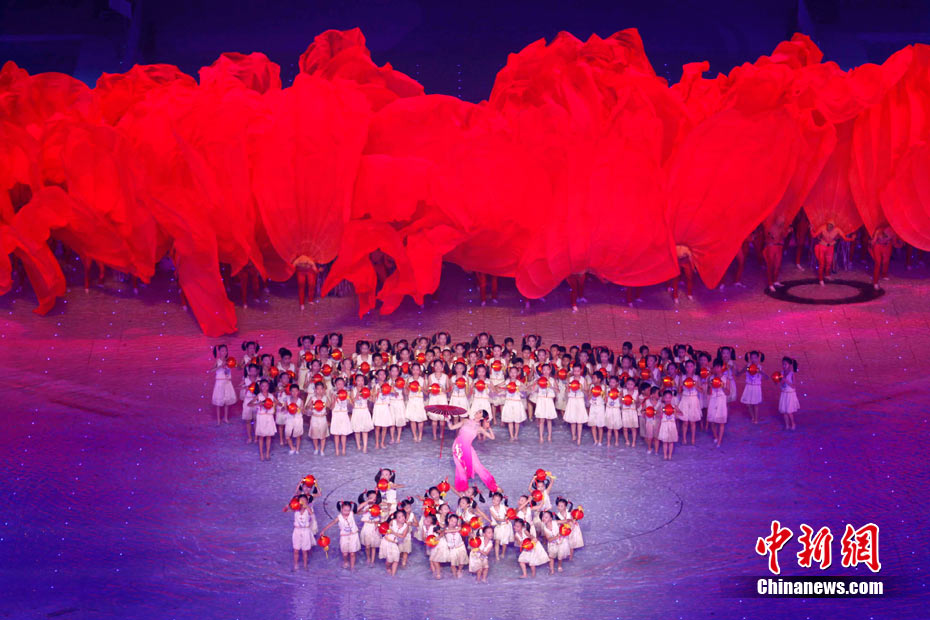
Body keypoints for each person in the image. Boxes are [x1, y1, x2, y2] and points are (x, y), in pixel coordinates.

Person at [447, 412, 499, 493]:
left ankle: (493, 486)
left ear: (482, 417)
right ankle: (462, 488)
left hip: (468, 448)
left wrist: (489, 427)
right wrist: (447, 419)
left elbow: (492, 437)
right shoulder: (465, 421)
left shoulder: (479, 428)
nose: (477, 412)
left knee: (478, 467)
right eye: (478, 411)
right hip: (457, 447)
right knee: (460, 468)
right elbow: (451, 427)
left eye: (480, 412)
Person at [208, 344, 237, 424]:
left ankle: (225, 418)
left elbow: (235, 366)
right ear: (219, 352)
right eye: (222, 351)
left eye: (225, 350)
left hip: (227, 382)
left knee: (226, 401)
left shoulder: (229, 360)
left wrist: (234, 364)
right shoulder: (218, 361)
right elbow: (211, 370)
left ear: (227, 351)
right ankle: (218, 419)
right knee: (219, 402)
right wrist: (220, 366)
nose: (224, 352)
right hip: (219, 383)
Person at [869, 226, 900, 290]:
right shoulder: (878, 231)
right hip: (877, 246)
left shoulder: (894, 232)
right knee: (878, 264)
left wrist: (901, 244)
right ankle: (875, 282)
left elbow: (895, 244)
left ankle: (884, 274)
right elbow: (873, 242)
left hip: (886, 247)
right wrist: (870, 243)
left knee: (886, 261)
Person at [776, 357, 800, 430]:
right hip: (784, 393)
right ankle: (787, 425)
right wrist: (778, 381)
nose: (784, 366)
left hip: (790, 394)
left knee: (789, 411)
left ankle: (793, 423)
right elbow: (779, 384)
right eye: (783, 364)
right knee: (784, 411)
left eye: (785, 364)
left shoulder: (792, 374)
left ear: (789, 365)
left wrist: (785, 380)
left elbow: (793, 386)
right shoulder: (781, 373)